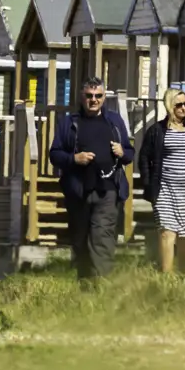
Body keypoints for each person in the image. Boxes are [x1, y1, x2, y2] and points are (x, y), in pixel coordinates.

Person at [46, 76, 131, 280]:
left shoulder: (115, 122)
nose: (94, 100)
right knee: (80, 240)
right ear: (82, 97)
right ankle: (84, 285)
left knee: (102, 238)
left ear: (104, 97)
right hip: (79, 190)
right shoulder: (69, 123)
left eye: (98, 96)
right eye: (89, 96)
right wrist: (74, 159)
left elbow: (129, 153)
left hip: (109, 189)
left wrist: (122, 151)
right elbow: (54, 154)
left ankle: (103, 286)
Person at [137, 85, 185, 276]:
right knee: (167, 232)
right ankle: (166, 277)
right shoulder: (157, 131)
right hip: (165, 190)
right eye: (179, 105)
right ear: (170, 106)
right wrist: (148, 181)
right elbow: (144, 156)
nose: (184, 108)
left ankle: (184, 276)